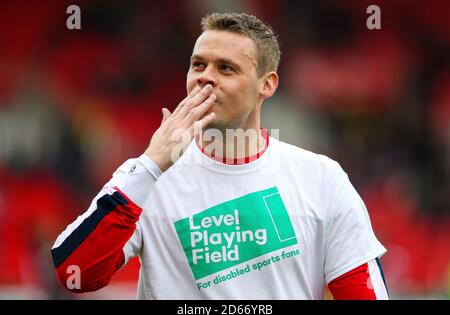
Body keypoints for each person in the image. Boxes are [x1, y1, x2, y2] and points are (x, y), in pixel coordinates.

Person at [51, 12, 388, 299]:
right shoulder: (146, 177)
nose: (205, 77)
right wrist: (151, 164)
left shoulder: (321, 178)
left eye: (226, 68)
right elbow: (75, 273)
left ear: (266, 85)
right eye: (198, 64)